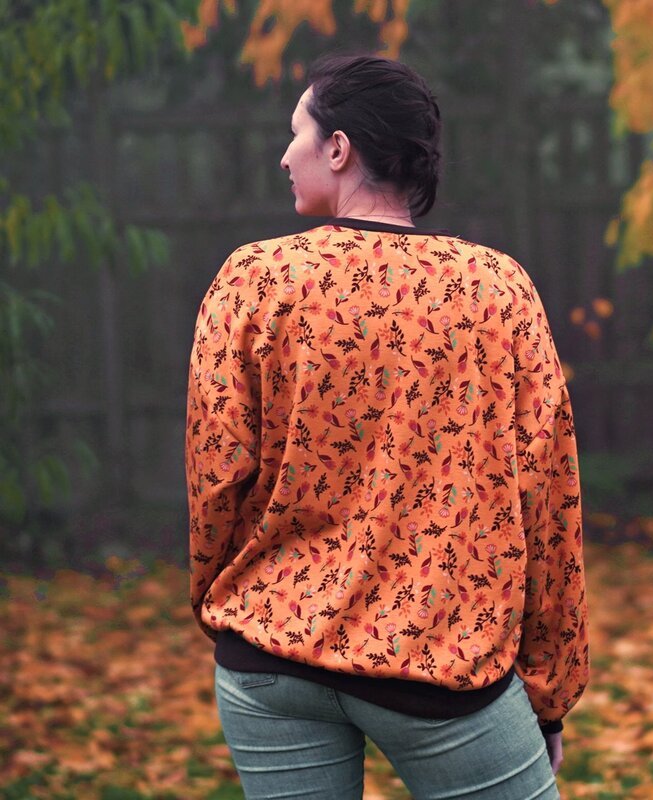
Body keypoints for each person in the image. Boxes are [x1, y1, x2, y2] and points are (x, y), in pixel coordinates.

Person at [185, 54, 589, 800]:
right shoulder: (496, 290)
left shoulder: (255, 280)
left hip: (270, 656)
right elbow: (547, 498)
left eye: (297, 133)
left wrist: (226, 606)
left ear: (339, 148)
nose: (284, 156)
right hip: (442, 664)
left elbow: (217, 475)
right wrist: (549, 689)